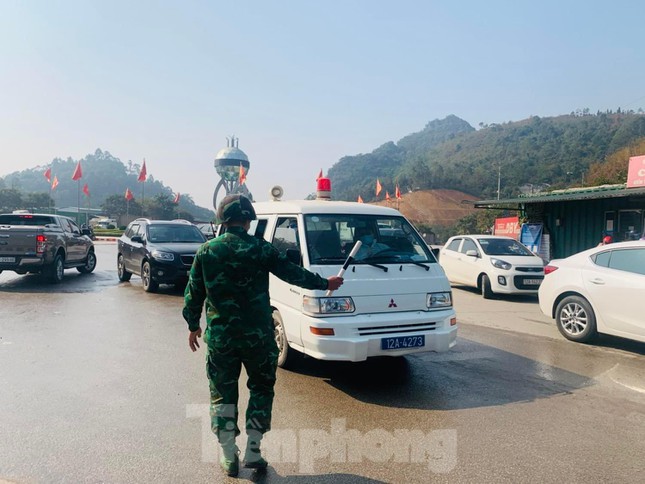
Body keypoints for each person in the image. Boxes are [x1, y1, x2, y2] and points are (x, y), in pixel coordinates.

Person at [182, 194, 343, 477]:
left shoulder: (207, 251)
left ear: (222, 218)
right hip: (258, 338)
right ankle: (254, 452)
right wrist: (324, 283)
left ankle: (229, 455)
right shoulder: (260, 249)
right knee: (261, 389)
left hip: (222, 340)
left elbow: (193, 294)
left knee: (222, 394)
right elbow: (293, 274)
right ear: (247, 219)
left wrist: (193, 325)